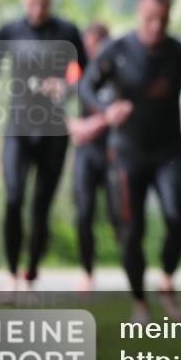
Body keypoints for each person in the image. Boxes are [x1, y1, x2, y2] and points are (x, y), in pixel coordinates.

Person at [78, 0, 181, 323]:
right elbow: (86, 85)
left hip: (169, 152)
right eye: (151, 19)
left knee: (176, 219)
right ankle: (139, 301)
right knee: (130, 231)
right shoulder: (117, 50)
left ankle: (166, 281)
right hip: (127, 154)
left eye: (163, 20)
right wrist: (107, 110)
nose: (156, 27)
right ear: (140, 13)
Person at [0, 0, 87, 292]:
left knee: (41, 207)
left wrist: (64, 84)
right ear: (25, 2)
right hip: (18, 129)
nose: (38, 9)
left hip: (53, 131)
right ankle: (10, 274)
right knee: (13, 198)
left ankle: (31, 274)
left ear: (51, 4)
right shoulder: (10, 31)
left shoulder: (66, 31)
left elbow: (83, 72)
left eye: (44, 3)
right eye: (33, 3)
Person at [65, 21, 115, 291]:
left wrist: (91, 126)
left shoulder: (118, 72)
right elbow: (55, 101)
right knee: (84, 214)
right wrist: (72, 125)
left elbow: (121, 111)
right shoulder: (79, 73)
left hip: (113, 152)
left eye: (94, 46)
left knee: (119, 215)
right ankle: (87, 273)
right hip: (86, 154)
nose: (90, 52)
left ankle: (132, 271)